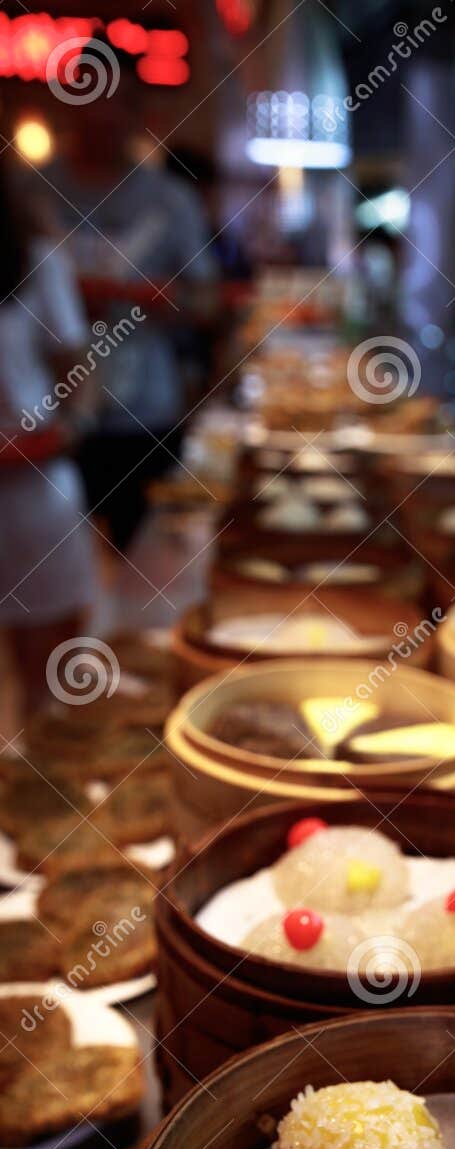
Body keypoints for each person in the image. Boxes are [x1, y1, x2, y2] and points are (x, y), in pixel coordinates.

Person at [45, 55, 218, 554]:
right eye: (87, 98)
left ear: (138, 113)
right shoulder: (25, 194)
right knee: (47, 571)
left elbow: (205, 302)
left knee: (142, 565)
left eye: (115, 102)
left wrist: (160, 299)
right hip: (43, 418)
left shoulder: (172, 199)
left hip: (145, 415)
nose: (101, 115)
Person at [0, 151, 97, 713]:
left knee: (51, 664)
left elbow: (76, 362)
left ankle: (47, 781)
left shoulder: (36, 260)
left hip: (35, 480)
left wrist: (72, 426)